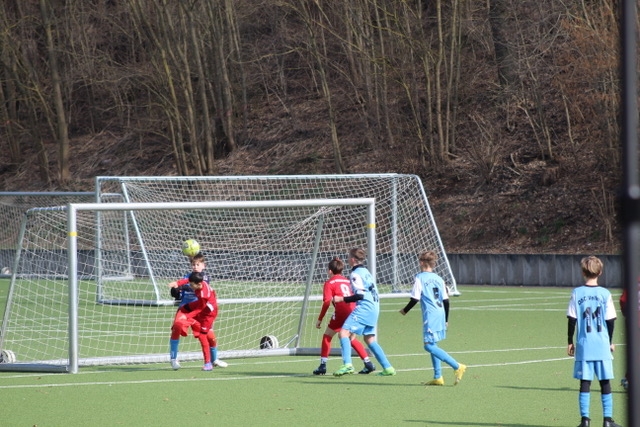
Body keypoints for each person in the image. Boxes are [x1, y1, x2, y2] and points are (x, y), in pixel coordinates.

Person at [566, 256, 621, 427]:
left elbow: (572, 319)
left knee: (585, 383)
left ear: (583, 272)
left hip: (585, 345)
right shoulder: (605, 293)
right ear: (600, 272)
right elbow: (610, 321)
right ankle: (607, 420)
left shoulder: (577, 292)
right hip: (601, 345)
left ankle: (585, 420)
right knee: (605, 383)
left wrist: (570, 341)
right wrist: (609, 341)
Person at [399, 250, 466, 386]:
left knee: (428, 346)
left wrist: (405, 310)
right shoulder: (439, 278)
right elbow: (446, 300)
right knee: (433, 343)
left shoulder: (419, 278)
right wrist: (446, 319)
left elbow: (415, 298)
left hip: (431, 314)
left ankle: (457, 366)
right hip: (441, 312)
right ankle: (438, 377)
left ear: (421, 262)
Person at [332, 247, 396, 377]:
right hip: (375, 307)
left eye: (348, 257)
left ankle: (348, 365)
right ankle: (388, 367)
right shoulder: (366, 272)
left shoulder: (355, 274)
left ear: (352, 259)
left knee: (343, 333)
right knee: (369, 338)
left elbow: (360, 295)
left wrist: (341, 299)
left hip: (365, 307)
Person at [313, 257, 376, 375]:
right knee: (351, 338)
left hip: (341, 311)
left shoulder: (329, 283)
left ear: (330, 271)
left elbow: (327, 302)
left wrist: (320, 319)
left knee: (327, 336)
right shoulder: (347, 280)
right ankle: (368, 363)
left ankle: (322, 365)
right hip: (353, 310)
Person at [168, 253, 227, 370]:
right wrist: (177, 290)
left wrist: (181, 286)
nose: (195, 267)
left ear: (204, 265)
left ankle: (214, 359)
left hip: (200, 310)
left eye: (198, 264)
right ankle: (173, 359)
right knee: (177, 326)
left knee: (209, 335)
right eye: (193, 264)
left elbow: (190, 284)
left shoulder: (204, 279)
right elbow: (185, 283)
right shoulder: (187, 277)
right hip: (186, 307)